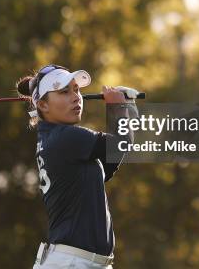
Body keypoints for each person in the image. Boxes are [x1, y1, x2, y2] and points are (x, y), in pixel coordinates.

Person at [16, 64, 139, 268]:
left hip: (78, 262)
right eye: (64, 92)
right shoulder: (66, 137)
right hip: (73, 262)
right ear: (43, 105)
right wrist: (120, 108)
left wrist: (127, 109)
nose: (75, 97)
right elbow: (120, 144)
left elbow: (109, 163)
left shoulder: (55, 138)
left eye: (76, 90)